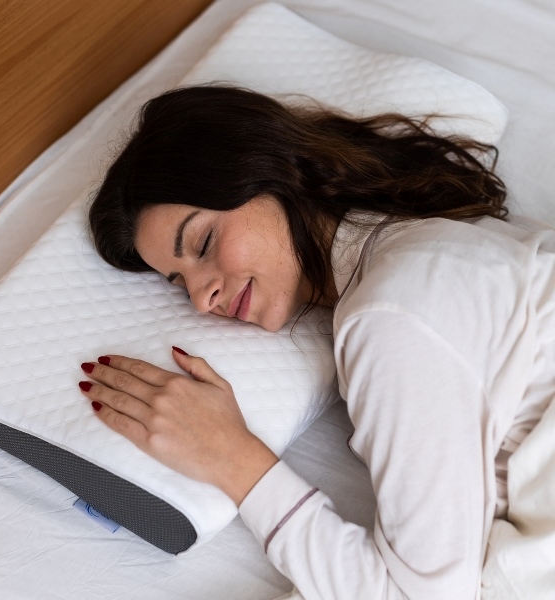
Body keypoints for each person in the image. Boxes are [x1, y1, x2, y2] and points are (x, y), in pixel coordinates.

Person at [80, 85, 555, 599]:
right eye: (179, 282)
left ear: (268, 175)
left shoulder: (391, 314)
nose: (201, 298)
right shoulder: (439, 240)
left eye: (204, 242)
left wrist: (234, 458)